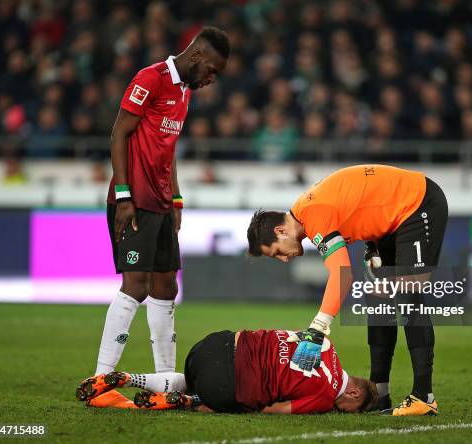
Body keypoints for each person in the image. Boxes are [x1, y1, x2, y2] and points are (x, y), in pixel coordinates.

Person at [246, 164, 448, 416]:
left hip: (418, 204)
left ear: (280, 230)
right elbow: (361, 201)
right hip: (391, 220)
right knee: (379, 298)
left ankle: (424, 397)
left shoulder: (312, 214)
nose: (283, 259)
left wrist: (318, 328)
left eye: (276, 252)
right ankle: (380, 395)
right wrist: (372, 240)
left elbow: (342, 275)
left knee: (408, 296)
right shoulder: (307, 211)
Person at [95, 27, 230, 377]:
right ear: (197, 55)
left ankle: (166, 378)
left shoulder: (185, 93)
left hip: (161, 203)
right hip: (134, 201)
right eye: (212, 70)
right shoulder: (150, 79)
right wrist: (124, 196)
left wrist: (177, 200)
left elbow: (165, 153)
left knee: (167, 285)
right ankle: (100, 376)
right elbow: (119, 134)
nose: (211, 79)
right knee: (135, 286)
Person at [77, 328, 378, 414]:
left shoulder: (324, 342)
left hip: (212, 344)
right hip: (223, 385)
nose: (342, 412)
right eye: (350, 410)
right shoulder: (326, 397)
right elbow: (274, 410)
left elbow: (287, 338)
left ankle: (130, 378)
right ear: (353, 391)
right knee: (237, 401)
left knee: (188, 379)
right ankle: (190, 402)